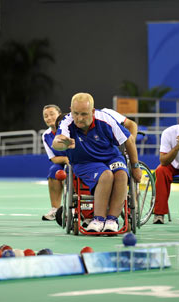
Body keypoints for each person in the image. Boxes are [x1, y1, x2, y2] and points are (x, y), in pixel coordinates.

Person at [52, 93, 142, 233]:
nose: (79, 118)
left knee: (121, 173)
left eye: (84, 114)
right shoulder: (66, 122)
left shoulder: (105, 119)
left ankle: (112, 220)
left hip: (110, 157)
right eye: (76, 113)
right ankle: (98, 220)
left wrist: (135, 166)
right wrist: (63, 143)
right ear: (71, 110)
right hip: (84, 162)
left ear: (93, 112)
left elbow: (128, 139)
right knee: (106, 175)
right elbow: (56, 142)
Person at [41, 104, 69, 221]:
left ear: (59, 115)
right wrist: (67, 160)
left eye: (52, 114)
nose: (49, 118)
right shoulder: (46, 135)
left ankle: (73, 209)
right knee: (53, 171)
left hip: (78, 161)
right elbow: (53, 158)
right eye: (46, 116)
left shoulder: (68, 129)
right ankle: (55, 210)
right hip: (63, 162)